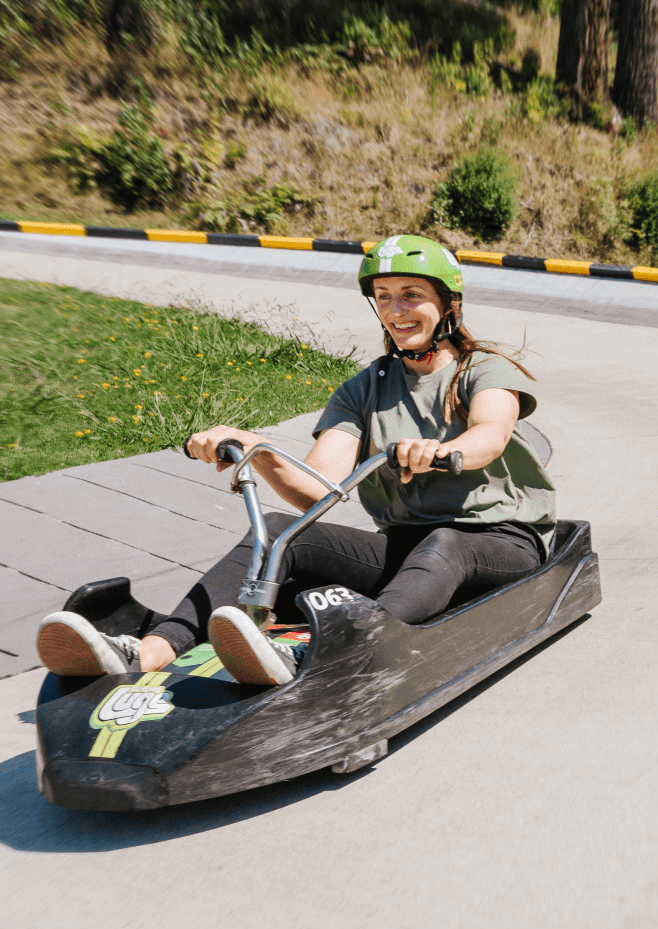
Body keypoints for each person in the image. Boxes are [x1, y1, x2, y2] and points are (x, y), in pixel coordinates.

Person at [36, 234, 556, 687]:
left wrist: (441, 451)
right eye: (384, 297)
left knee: (445, 543)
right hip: (405, 547)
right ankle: (148, 650)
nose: (397, 310)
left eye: (411, 295)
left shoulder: (482, 369)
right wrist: (255, 448)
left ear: (448, 303)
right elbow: (317, 488)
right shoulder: (364, 388)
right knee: (281, 531)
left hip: (499, 541)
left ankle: (335, 656)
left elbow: (490, 434)